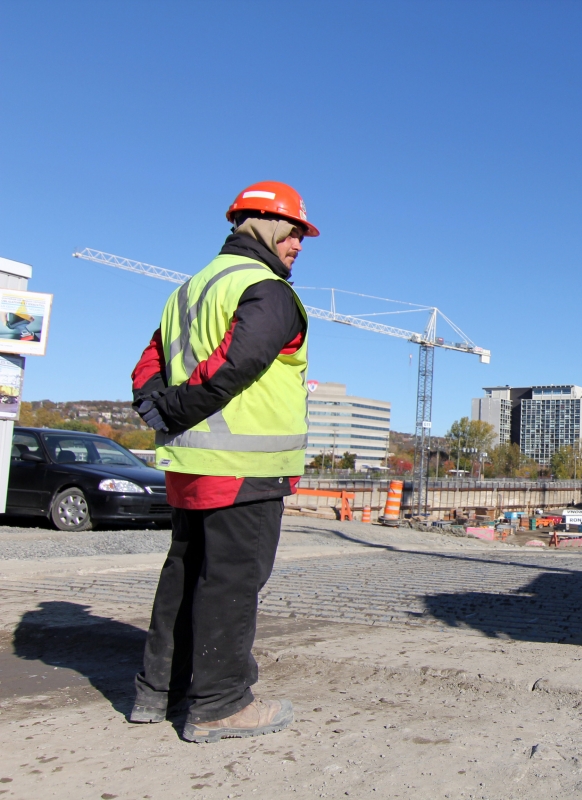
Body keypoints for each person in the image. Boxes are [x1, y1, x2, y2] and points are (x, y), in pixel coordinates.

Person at [128, 181, 317, 743]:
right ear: (263, 224)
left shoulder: (190, 289)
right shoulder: (267, 291)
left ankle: (158, 692)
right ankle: (219, 704)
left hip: (192, 465)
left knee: (184, 574)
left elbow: (148, 364)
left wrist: (160, 411)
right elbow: (238, 365)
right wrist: (179, 409)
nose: (300, 245)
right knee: (232, 581)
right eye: (296, 232)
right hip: (244, 468)